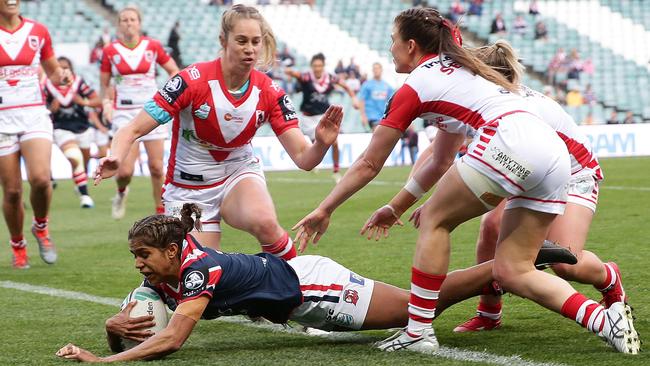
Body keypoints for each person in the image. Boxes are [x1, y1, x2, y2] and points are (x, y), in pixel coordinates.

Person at [292, 8, 639, 354]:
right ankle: (603, 319)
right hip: (551, 153)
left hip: (516, 143)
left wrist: (325, 209)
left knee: (436, 220)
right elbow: (440, 159)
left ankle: (418, 331)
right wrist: (396, 206)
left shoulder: (416, 85)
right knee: (512, 269)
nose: (389, 48)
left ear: (411, 46)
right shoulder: (461, 71)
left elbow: (370, 162)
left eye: (393, 41)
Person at [55, 204, 577, 362]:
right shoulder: (167, 271)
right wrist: (109, 327)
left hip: (315, 291)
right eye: (134, 256)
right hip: (299, 292)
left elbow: (169, 339)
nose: (138, 265)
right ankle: (514, 267)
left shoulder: (195, 271)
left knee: (423, 306)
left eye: (143, 255)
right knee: (423, 305)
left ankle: (512, 266)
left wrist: (102, 362)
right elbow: (144, 338)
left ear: (170, 251)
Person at [365, 40, 630, 336]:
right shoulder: (483, 98)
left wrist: (430, 203)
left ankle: (609, 276)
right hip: (530, 167)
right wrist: (422, 199)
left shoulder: (511, 104)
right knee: (491, 225)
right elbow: (439, 156)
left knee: (567, 262)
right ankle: (489, 312)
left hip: (575, 171)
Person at [94, 5, 342, 261]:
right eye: (242, 41)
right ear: (223, 40)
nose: (250, 49)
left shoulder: (270, 91)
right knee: (202, 270)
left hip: (238, 173)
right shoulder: (190, 81)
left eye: (256, 42)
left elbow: (304, 158)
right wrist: (116, 155)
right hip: (188, 188)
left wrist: (321, 144)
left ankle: (298, 285)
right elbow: (132, 128)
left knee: (265, 222)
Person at [0, 0, 72, 269]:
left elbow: (52, 71)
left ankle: (41, 227)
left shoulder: (37, 31)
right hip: (2, 120)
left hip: (33, 115)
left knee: (41, 179)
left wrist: (61, 76)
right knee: (12, 192)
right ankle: (18, 245)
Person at [100, 6, 180, 219]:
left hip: (152, 110)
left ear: (139, 23)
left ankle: (160, 213)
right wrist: (107, 103)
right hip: (124, 113)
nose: (128, 23)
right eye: (124, 20)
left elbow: (174, 71)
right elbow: (105, 84)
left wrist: (169, 94)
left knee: (156, 167)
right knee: (124, 171)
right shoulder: (110, 51)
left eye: (132, 19)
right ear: (119, 24)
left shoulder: (152, 46)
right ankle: (121, 191)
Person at [285, 53, 358, 182]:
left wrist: (353, 98)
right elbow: (295, 74)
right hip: (308, 118)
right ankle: (313, 164)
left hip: (323, 116)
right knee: (315, 145)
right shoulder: (306, 77)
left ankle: (336, 171)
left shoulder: (329, 78)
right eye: (315, 66)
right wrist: (289, 71)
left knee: (334, 142)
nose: (317, 68)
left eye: (319, 65)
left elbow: (346, 86)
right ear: (311, 66)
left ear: (323, 66)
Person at [44, 57, 102, 208]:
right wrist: (51, 109)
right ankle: (85, 196)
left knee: (84, 161)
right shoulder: (47, 86)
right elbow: (39, 108)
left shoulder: (78, 83)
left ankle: (79, 183)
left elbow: (97, 100)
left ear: (71, 69)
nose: (62, 71)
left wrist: (84, 102)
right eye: (59, 68)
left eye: (65, 68)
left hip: (82, 127)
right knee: (74, 157)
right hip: (61, 127)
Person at [358, 62, 394, 131]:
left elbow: (391, 101)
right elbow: (361, 100)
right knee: (377, 133)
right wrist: (363, 116)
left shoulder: (387, 86)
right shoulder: (367, 85)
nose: (376, 70)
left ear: (381, 70)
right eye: (374, 69)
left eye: (377, 68)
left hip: (383, 116)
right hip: (371, 116)